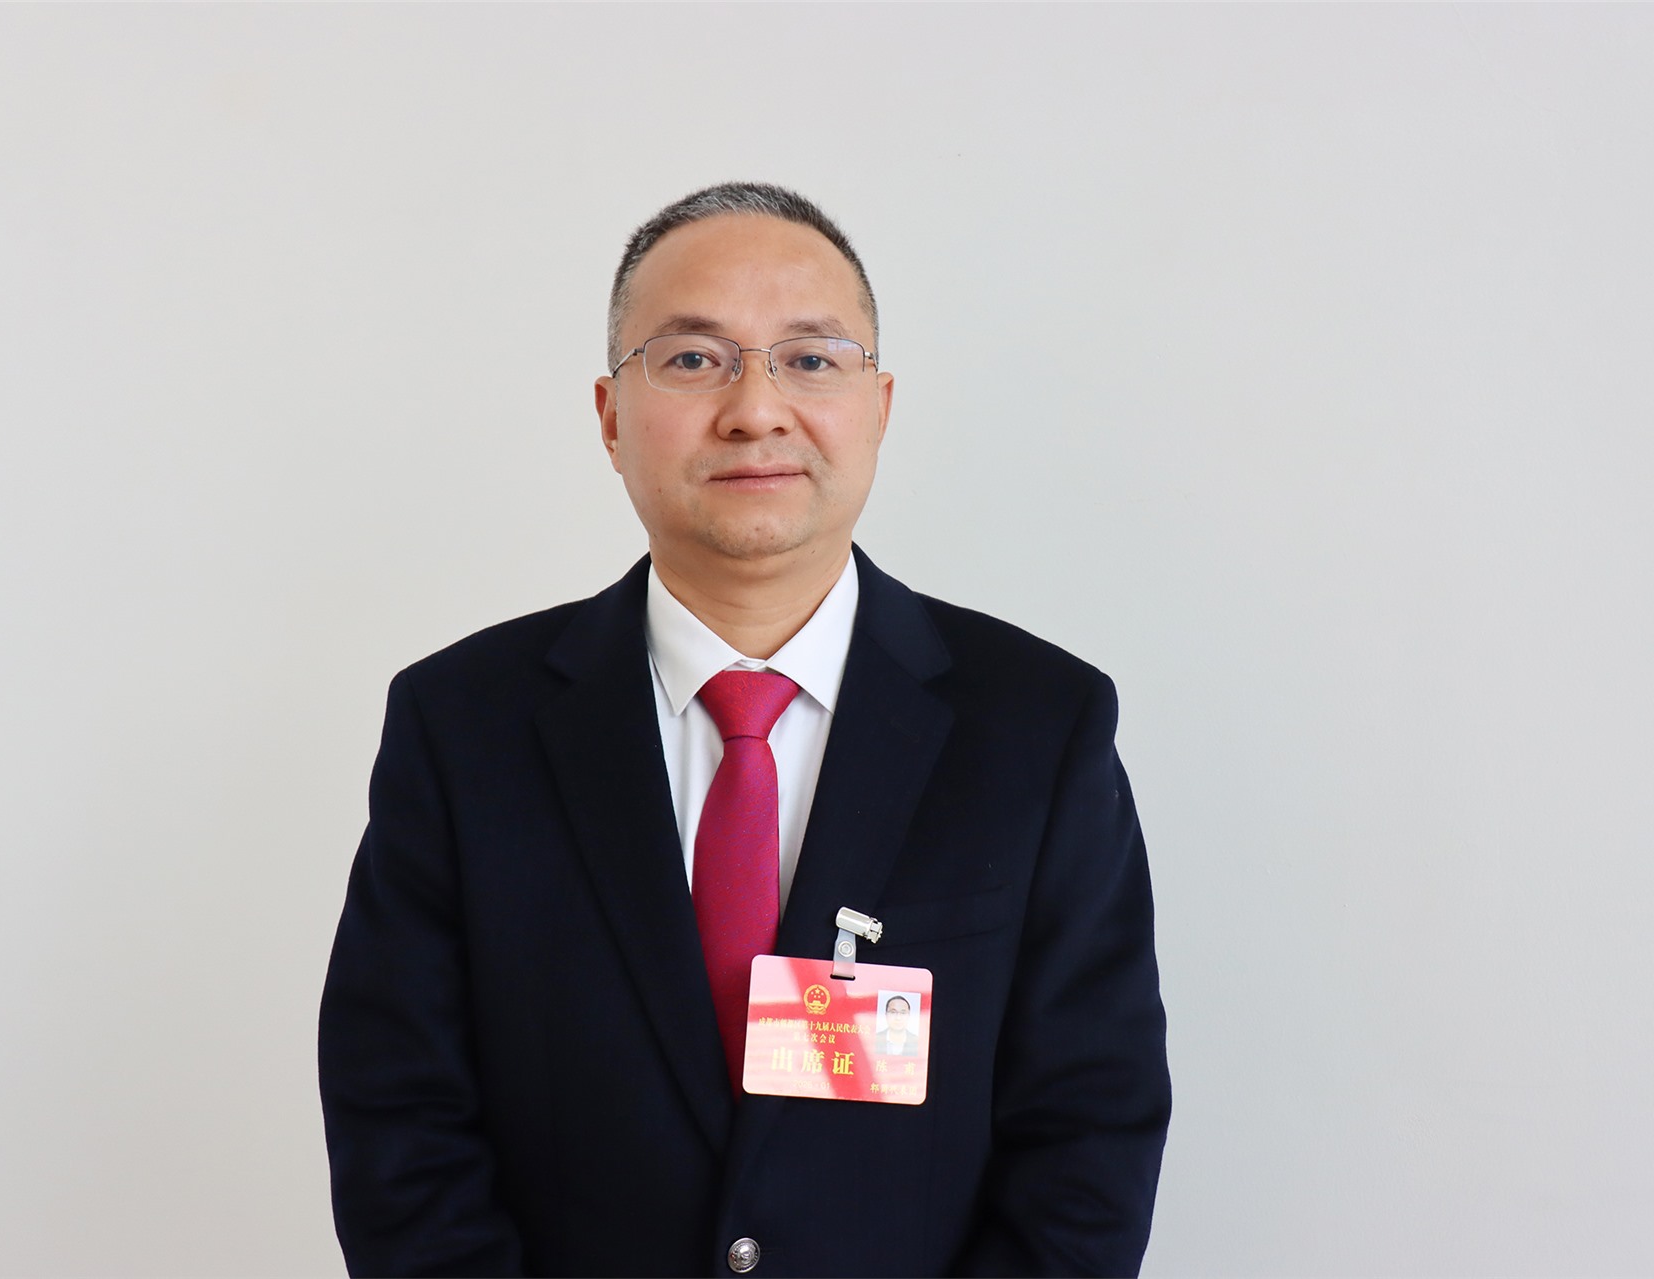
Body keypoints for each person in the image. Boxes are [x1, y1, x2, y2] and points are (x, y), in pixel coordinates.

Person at [318, 182, 1171, 1278]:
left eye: (811, 359)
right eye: (693, 359)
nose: (756, 410)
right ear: (609, 415)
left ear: (880, 406)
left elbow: (1089, 1134)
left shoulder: (1036, 727)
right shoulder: (462, 725)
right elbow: (400, 1121)